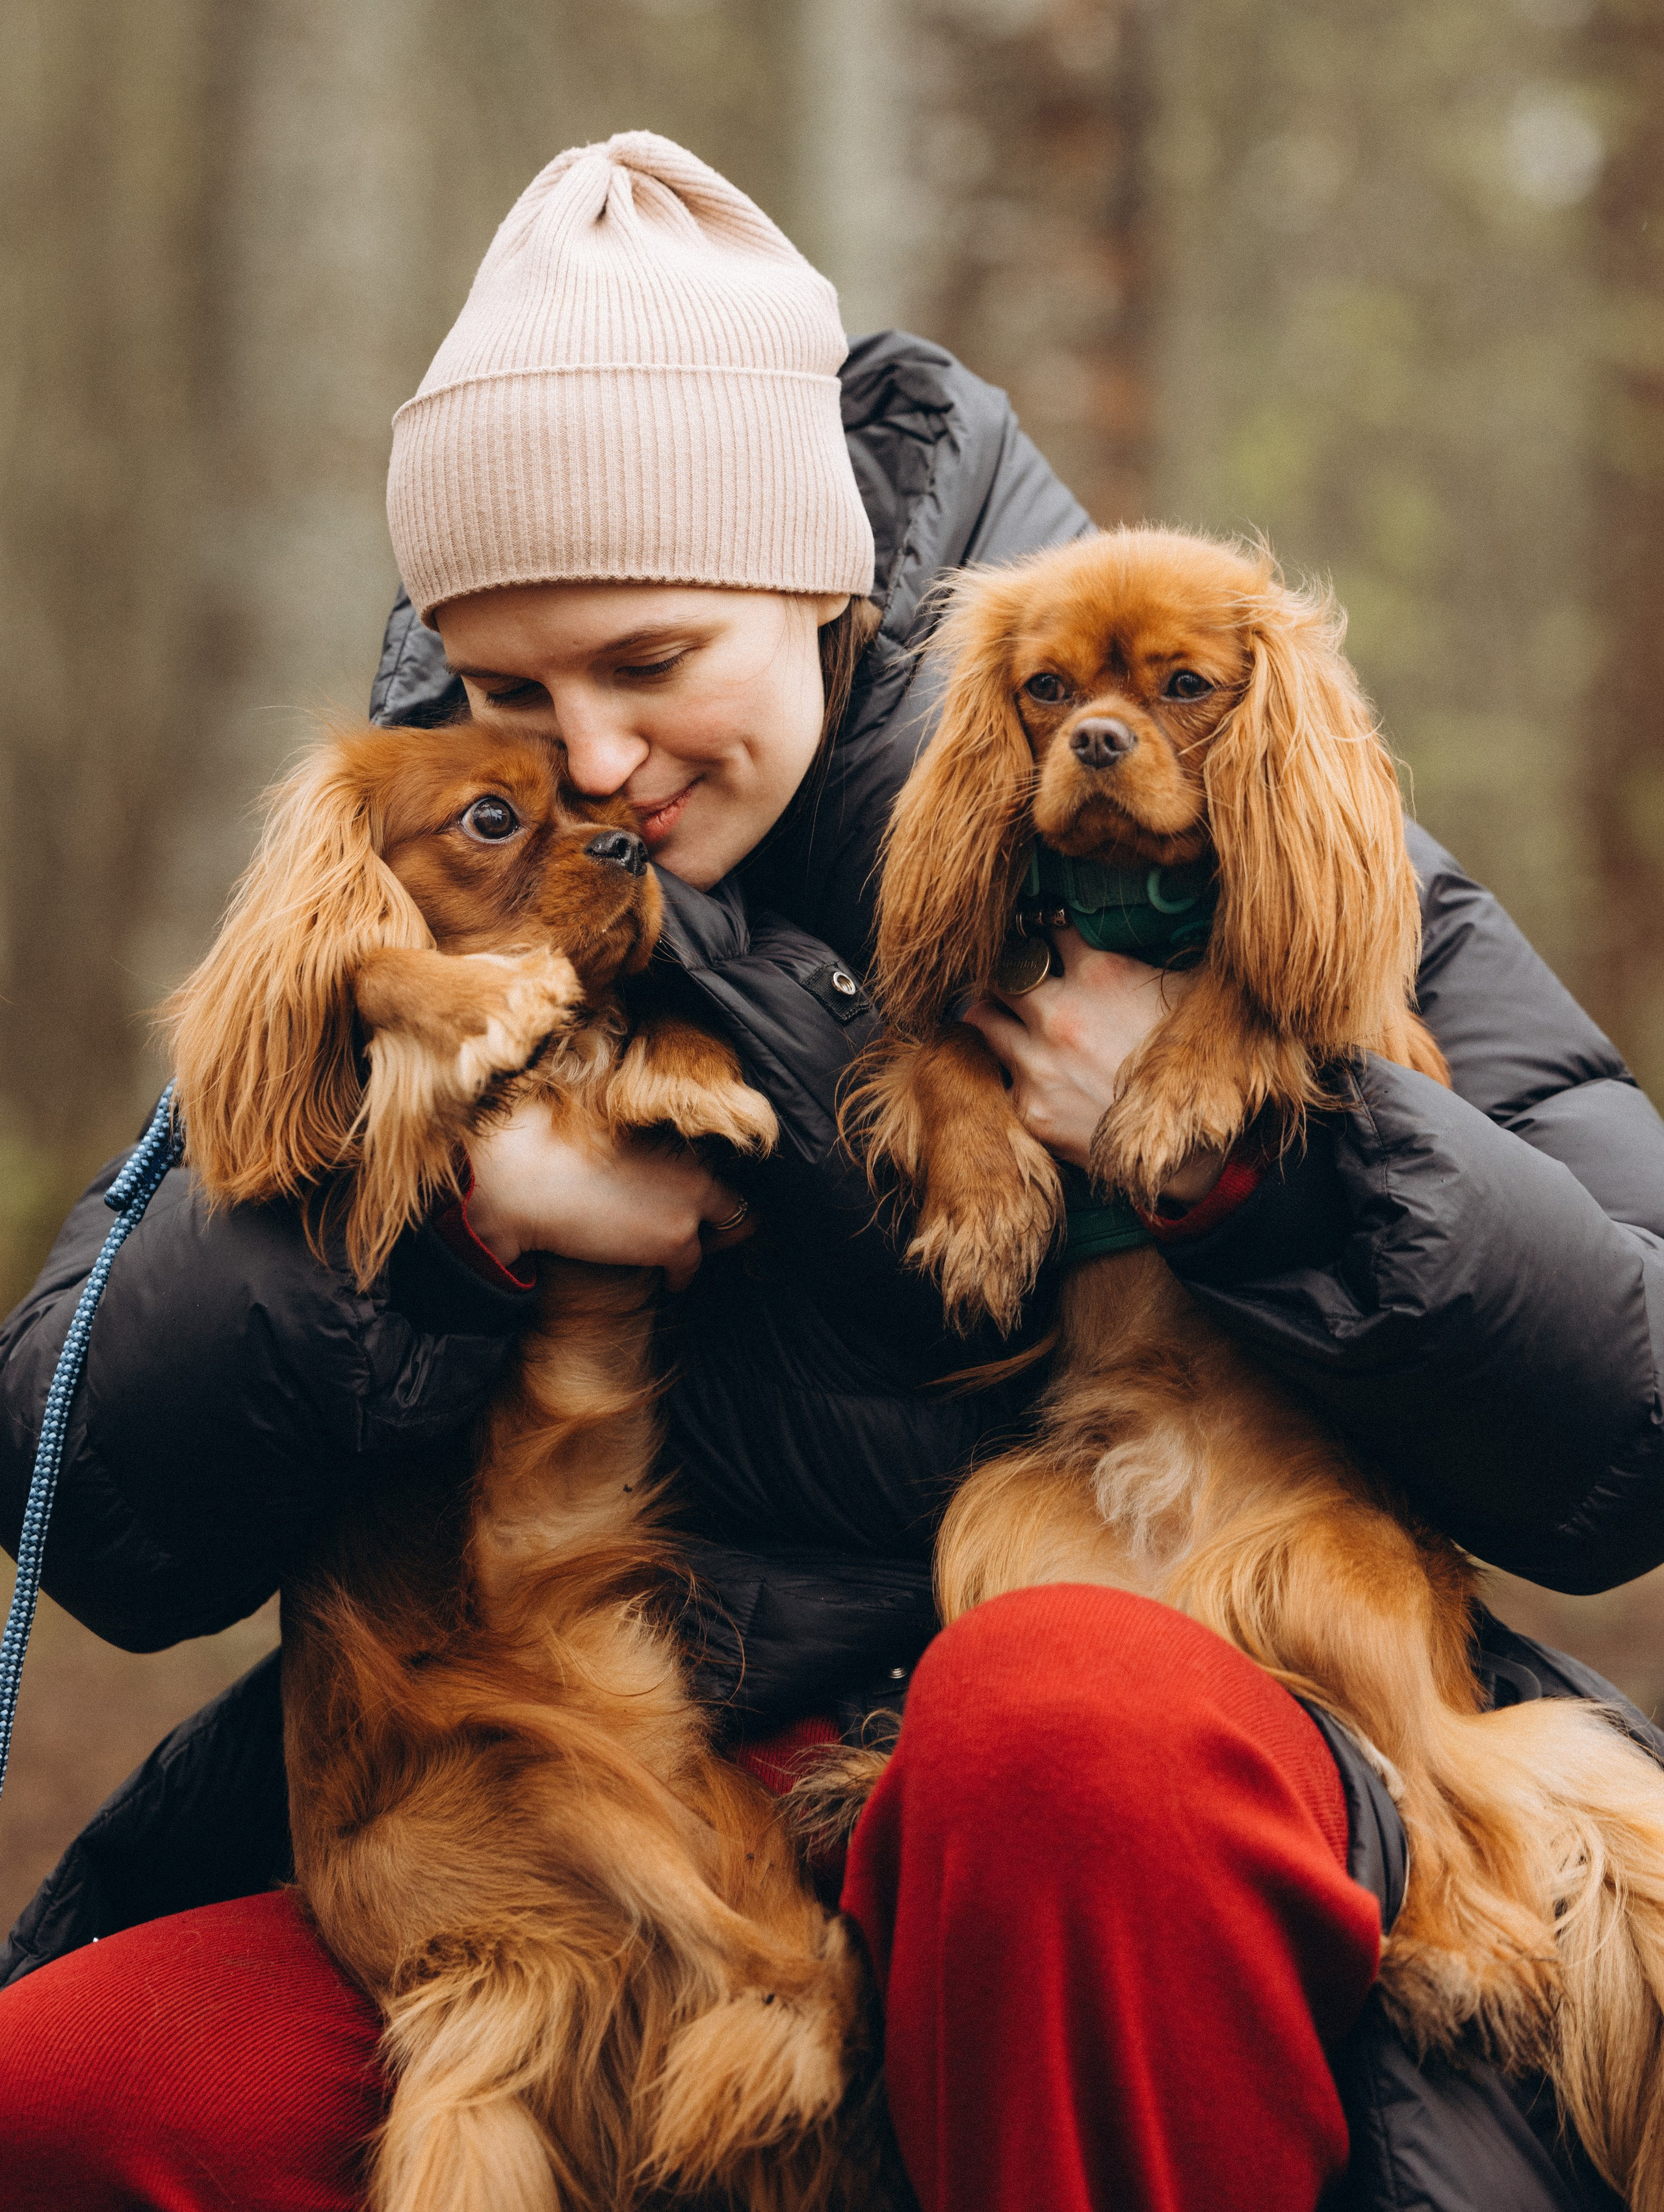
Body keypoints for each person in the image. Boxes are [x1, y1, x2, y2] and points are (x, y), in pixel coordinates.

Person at [1, 130, 1660, 2212]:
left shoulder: (1185, 768)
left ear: (820, 585)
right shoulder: (430, 865)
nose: (587, 762)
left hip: (1099, 1780)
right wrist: (458, 1232)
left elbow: (1633, 1412)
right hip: (605, 1835)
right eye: (509, 684)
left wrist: (1259, 1167)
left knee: (1060, 1726)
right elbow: (97, 1496)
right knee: (81, 2094)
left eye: (653, 663)